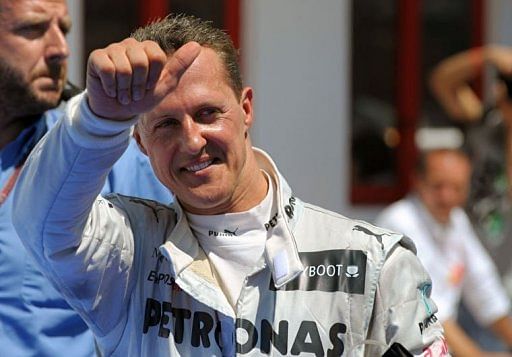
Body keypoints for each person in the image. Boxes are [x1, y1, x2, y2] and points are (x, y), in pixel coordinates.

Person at [13, 14, 447, 356]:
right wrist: (97, 120)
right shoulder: (126, 252)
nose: (192, 140)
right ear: (140, 142)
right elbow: (42, 224)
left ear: (246, 109)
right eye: (165, 124)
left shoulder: (371, 262)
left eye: (207, 114)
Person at [0, 0, 171, 356]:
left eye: (63, 30)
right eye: (33, 29)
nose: (60, 50)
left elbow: (171, 291)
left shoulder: (105, 155)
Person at [376, 148, 512, 356]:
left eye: (457, 188)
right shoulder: (399, 221)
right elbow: (428, 308)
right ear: (418, 181)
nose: (447, 196)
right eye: (438, 186)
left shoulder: (456, 220)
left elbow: (486, 291)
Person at [429, 46, 512, 281]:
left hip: (505, 267)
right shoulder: (486, 122)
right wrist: (488, 55)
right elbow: (441, 81)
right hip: (464, 252)